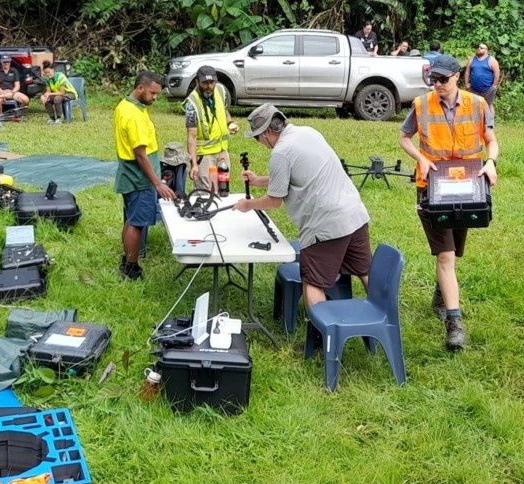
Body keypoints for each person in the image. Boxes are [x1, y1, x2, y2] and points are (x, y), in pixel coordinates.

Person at [398, 54, 499, 350]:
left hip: (467, 188)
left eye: (443, 79)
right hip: (433, 188)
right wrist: (421, 158)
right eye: (434, 79)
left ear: (457, 77)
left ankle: (441, 294)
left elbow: (490, 139)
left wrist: (491, 162)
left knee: (454, 252)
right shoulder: (421, 105)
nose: (437, 84)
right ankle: (454, 324)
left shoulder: (477, 104)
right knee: (445, 255)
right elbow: (404, 138)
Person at [234, 104, 372, 309]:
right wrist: (258, 180)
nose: (259, 142)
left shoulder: (280, 152)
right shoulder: (308, 132)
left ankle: (320, 337)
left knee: (313, 282)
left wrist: (248, 204)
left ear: (267, 133)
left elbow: (274, 201)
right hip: (355, 213)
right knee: (365, 272)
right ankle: (384, 313)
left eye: (257, 137)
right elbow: (296, 175)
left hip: (326, 225)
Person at [113, 71, 176, 280]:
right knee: (136, 223)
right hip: (139, 177)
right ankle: (131, 268)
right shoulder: (133, 115)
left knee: (131, 219)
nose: (155, 98)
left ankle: (126, 259)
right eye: (152, 93)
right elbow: (141, 155)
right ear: (140, 88)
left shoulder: (126, 105)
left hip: (129, 173)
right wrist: (157, 183)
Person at [184, 65, 239, 195]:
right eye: (205, 83)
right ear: (197, 82)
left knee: (223, 190)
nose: (209, 86)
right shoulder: (191, 104)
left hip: (222, 153)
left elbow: (224, 111)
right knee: (205, 194)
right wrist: (194, 164)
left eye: (211, 82)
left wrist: (230, 122)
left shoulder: (220, 90)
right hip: (204, 156)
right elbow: (191, 136)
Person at [465, 42, 500, 114]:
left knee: (489, 105)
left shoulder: (491, 60)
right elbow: (467, 72)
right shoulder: (472, 59)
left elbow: (497, 73)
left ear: (486, 50)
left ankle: (490, 123)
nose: (479, 49)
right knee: (474, 105)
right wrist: (467, 84)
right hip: (474, 89)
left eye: (481, 48)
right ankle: (476, 122)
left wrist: (494, 85)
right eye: (479, 47)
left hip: (488, 89)